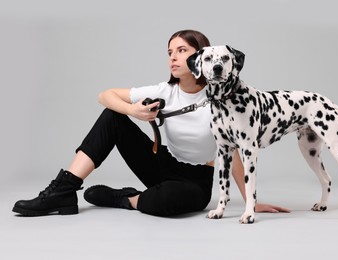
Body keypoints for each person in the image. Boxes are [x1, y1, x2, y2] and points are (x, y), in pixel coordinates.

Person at [13, 29, 289, 217]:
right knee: (113, 115)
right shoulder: (164, 91)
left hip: (196, 181)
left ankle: (127, 199)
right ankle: (63, 190)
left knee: (166, 202)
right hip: (162, 164)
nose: (173, 56)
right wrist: (133, 111)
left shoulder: (225, 99)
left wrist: (251, 201)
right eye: (170, 51)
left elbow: (234, 151)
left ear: (200, 58)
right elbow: (105, 95)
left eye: (182, 50)